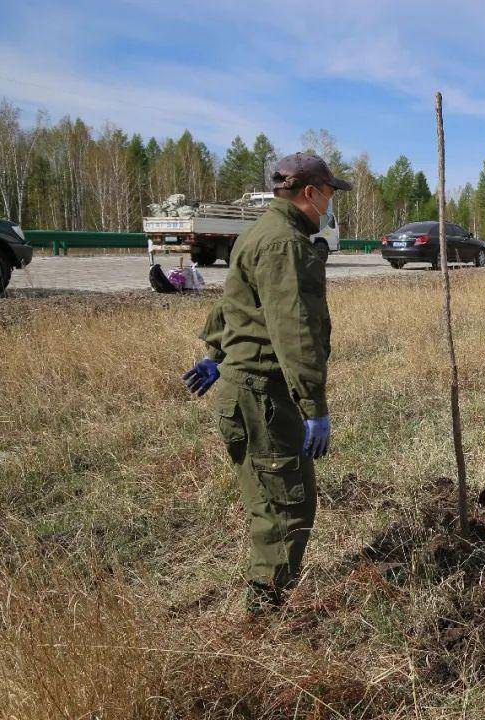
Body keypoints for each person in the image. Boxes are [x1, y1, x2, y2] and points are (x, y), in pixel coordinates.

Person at [181, 152, 351, 613]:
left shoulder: (257, 232)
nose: (332, 205)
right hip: (265, 394)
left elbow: (234, 302)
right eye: (330, 195)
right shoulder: (285, 245)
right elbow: (294, 331)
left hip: (244, 389)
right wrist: (314, 406)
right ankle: (264, 614)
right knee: (287, 508)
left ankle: (265, 599)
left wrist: (215, 353)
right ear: (310, 193)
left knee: (266, 498)